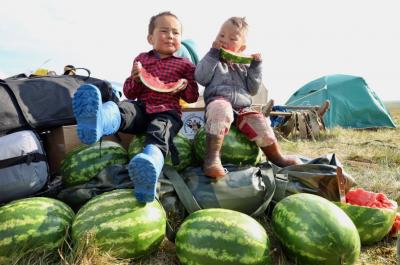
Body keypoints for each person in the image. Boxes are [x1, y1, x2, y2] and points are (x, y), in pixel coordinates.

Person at [72, 11, 199, 202]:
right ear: (150, 38)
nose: (171, 36)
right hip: (142, 107)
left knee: (160, 133)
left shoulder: (186, 65)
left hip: (167, 112)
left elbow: (192, 97)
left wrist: (185, 85)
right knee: (124, 109)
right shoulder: (142, 59)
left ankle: (149, 166)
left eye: (175, 33)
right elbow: (130, 92)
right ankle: (98, 121)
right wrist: (135, 78)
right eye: (164, 31)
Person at [195, 16, 302, 178]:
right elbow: (201, 77)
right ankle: (212, 159)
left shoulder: (244, 65)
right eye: (221, 35)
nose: (224, 40)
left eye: (232, 38)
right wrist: (212, 54)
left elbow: (253, 88)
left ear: (241, 47)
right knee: (220, 108)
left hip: (242, 108)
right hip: (218, 102)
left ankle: (277, 157)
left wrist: (256, 66)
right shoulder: (213, 60)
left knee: (258, 120)